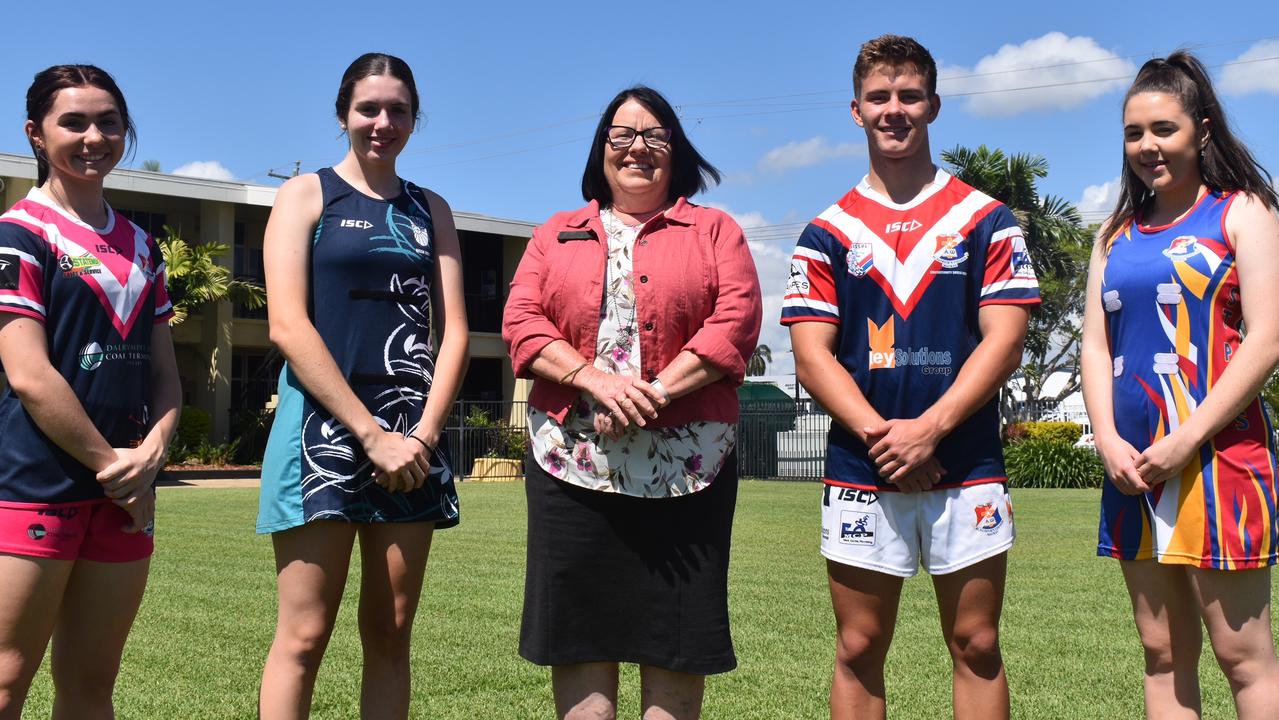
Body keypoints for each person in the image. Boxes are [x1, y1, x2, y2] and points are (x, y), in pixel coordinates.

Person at [782, 35, 1039, 720]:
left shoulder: (986, 220)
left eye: (908, 95)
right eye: (878, 97)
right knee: (859, 644)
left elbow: (1005, 340)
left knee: (976, 643)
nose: (893, 110)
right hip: (862, 466)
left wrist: (929, 430)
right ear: (854, 110)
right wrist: (884, 439)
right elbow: (811, 357)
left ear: (933, 104)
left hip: (967, 461)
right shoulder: (825, 232)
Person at [503, 85, 761, 720]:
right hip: (571, 467)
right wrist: (596, 381)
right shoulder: (554, 234)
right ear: (602, 148)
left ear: (676, 152)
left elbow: (736, 321)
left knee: (674, 641)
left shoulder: (715, 230)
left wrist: (654, 391)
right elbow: (521, 321)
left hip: (688, 470)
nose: (637, 148)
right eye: (622, 135)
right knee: (581, 636)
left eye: (654, 136)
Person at [256, 52, 469, 719]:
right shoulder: (305, 195)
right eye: (368, 108)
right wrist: (369, 435)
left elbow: (454, 331)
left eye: (397, 110)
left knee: (389, 632)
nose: (382, 122)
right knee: (304, 634)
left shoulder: (429, 208)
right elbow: (288, 326)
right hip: (321, 433)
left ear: (414, 118)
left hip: (411, 442)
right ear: (343, 114)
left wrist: (421, 437)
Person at [1081, 51, 1279, 719]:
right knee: (1161, 653)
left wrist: (1185, 439)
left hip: (1220, 464)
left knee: (1241, 657)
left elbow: (1267, 339)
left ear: (1200, 129)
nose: (1146, 146)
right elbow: (1093, 342)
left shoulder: (1242, 212)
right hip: (1131, 468)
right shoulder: (1113, 235)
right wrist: (1107, 439)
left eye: (1162, 129)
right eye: (1133, 133)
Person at [0, 64, 181, 717]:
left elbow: (164, 373)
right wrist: (116, 466)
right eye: (72, 122)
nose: (93, 136)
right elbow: (28, 372)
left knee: (91, 685)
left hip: (126, 494)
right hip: (33, 483)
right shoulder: (18, 232)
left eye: (108, 121)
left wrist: (153, 454)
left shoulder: (143, 246)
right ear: (36, 135)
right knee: (5, 681)